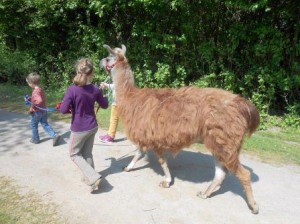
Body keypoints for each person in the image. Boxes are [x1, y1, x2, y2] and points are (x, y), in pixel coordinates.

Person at [59, 58, 109, 192]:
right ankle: (91, 181)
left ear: (77, 71)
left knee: (74, 154)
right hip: (92, 127)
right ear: (92, 73)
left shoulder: (72, 90)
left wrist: (66, 105)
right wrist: (104, 93)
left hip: (79, 129)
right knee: (87, 153)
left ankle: (92, 176)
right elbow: (105, 105)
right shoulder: (95, 89)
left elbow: (63, 110)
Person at [25, 72, 60, 146]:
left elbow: (39, 100)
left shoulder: (35, 91)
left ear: (31, 83)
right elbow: (37, 98)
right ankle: (54, 136)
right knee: (45, 124)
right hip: (43, 111)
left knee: (34, 125)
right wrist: (30, 99)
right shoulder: (40, 89)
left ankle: (35, 139)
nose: (28, 84)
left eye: (28, 83)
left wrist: (33, 104)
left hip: (36, 112)